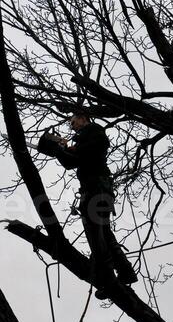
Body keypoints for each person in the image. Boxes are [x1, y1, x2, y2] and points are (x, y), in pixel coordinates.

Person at [37, 108, 137, 298]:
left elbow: (81, 155)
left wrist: (62, 147)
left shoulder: (93, 133)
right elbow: (70, 161)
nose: (72, 127)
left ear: (83, 118)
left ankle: (108, 279)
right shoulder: (88, 140)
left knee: (95, 236)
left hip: (95, 191)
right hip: (100, 191)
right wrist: (63, 149)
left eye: (73, 122)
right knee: (104, 234)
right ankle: (125, 271)